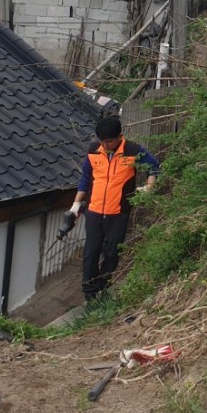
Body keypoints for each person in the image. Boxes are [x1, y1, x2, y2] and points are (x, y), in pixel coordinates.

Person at [69, 116, 159, 302]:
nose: (105, 145)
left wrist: (149, 187)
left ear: (120, 136)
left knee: (112, 253)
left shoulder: (133, 151)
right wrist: (76, 204)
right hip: (94, 211)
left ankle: (102, 285)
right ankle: (89, 291)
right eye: (102, 141)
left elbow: (154, 167)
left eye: (109, 141)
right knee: (91, 252)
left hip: (118, 213)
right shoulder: (94, 151)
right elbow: (85, 178)